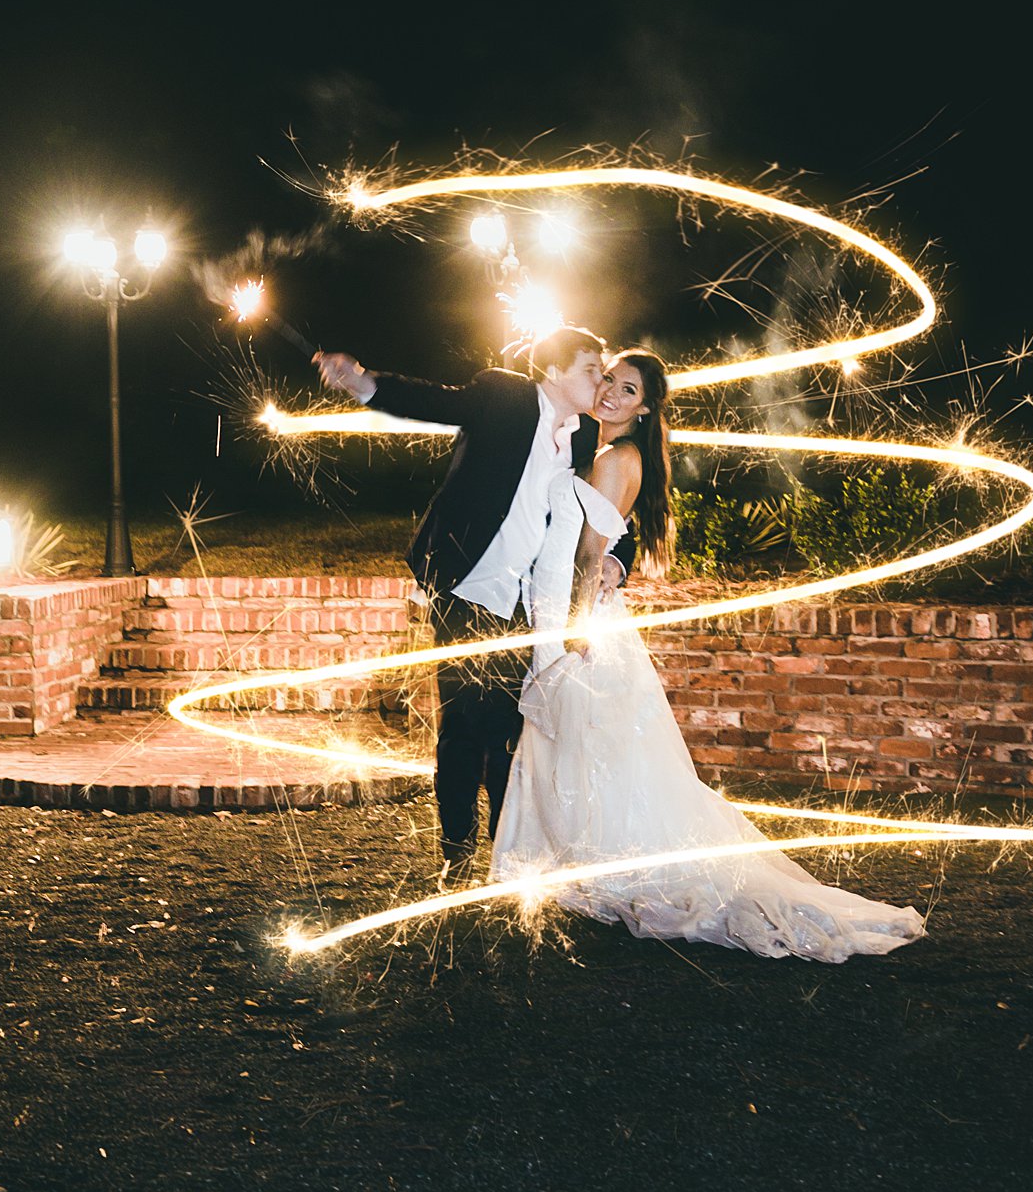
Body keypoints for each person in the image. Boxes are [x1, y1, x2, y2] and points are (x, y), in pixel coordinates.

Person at [490, 349, 926, 961]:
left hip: (575, 620)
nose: (612, 392)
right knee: (574, 746)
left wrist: (577, 629)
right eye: (609, 380)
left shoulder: (620, 458)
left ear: (645, 408)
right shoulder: (585, 446)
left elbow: (590, 554)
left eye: (629, 389)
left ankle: (609, 863)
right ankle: (571, 859)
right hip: (553, 612)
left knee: (596, 749)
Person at [314, 328, 630, 871]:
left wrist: (616, 561)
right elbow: (431, 401)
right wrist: (364, 382)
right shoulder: (503, 396)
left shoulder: (583, 439)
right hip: (465, 585)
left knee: (510, 726)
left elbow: (609, 511)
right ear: (554, 371)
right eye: (590, 370)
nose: (600, 381)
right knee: (462, 722)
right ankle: (455, 851)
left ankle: (505, 853)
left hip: (526, 602)